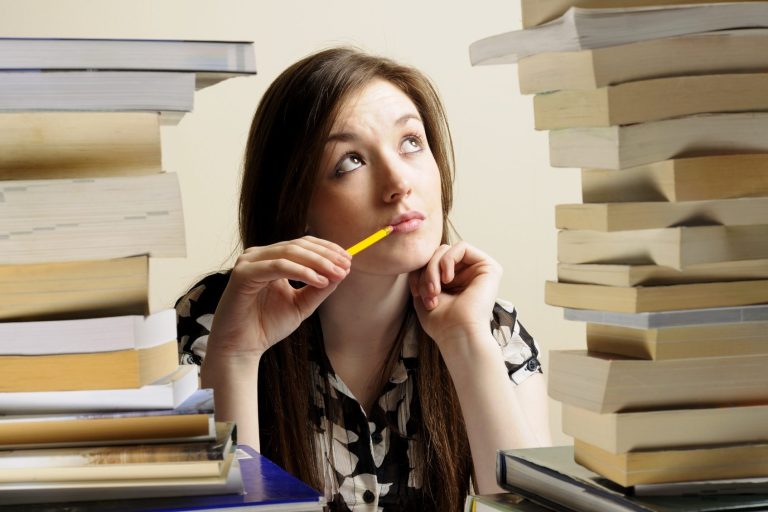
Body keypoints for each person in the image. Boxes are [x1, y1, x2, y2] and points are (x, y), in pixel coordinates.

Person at [176, 47, 551, 512]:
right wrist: (235, 356)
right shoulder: (210, 321)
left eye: (411, 142)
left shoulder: (493, 329)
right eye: (350, 161)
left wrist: (467, 343)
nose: (399, 182)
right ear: (296, 204)